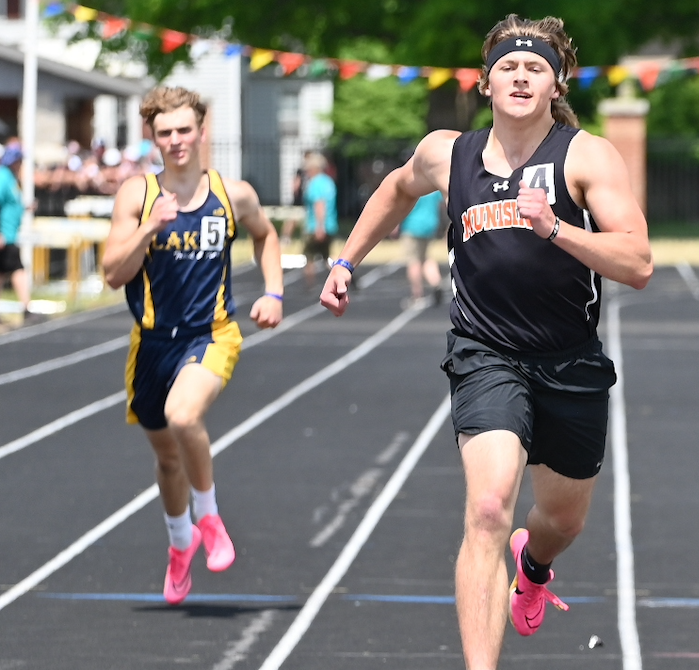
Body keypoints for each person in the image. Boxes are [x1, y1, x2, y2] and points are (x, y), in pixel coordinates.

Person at [319, 14, 652, 669]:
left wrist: (556, 229)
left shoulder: (584, 155)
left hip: (569, 360)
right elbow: (393, 189)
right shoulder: (450, 153)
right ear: (484, 81)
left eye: (535, 67)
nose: (521, 76)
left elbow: (638, 262)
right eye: (509, 66)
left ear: (556, 84)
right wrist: (345, 262)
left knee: (562, 521)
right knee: (490, 505)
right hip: (485, 354)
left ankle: (534, 566)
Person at [102, 86, 284, 605]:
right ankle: (180, 545)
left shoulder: (233, 193)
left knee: (185, 417)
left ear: (202, 131)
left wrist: (273, 292)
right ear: (152, 137)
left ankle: (209, 518)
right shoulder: (136, 195)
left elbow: (266, 235)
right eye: (166, 132)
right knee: (167, 461)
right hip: (152, 345)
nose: (177, 140)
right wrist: (148, 229)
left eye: (185, 130)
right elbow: (114, 274)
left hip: (213, 334)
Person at [0, 144, 33, 325]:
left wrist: (25, 207)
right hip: (6, 235)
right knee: (18, 270)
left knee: (3, 273)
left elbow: (11, 204)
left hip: (9, 233)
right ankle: (26, 308)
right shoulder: (3, 177)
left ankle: (26, 308)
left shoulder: (10, 178)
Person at [398, 190, 445, 307]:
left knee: (414, 261)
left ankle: (417, 295)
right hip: (430, 225)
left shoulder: (413, 184)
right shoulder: (432, 187)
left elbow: (402, 205)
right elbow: (442, 203)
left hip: (412, 225)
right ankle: (436, 282)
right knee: (426, 259)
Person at [300, 151, 338, 288]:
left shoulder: (314, 184)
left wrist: (319, 227)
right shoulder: (329, 182)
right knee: (327, 256)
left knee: (309, 257)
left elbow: (319, 205)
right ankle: (343, 274)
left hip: (315, 226)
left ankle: (309, 286)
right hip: (331, 224)